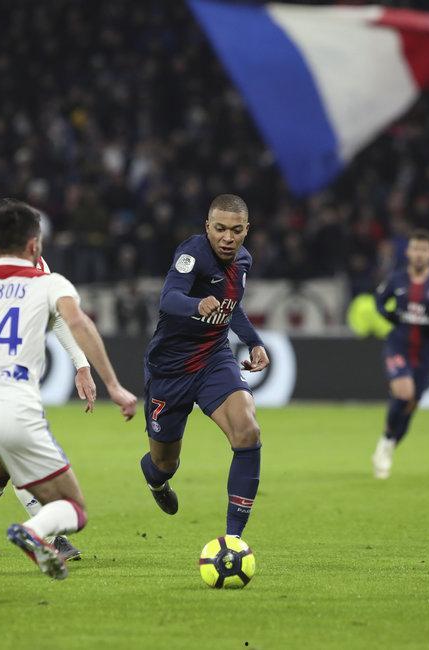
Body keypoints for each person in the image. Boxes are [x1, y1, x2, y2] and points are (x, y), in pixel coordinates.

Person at [0, 199, 137, 579]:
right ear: (33, 243)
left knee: (0, 467)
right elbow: (77, 322)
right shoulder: (48, 281)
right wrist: (113, 385)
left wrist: (80, 366)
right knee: (73, 507)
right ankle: (40, 533)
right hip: (13, 404)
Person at [141, 194, 269, 540]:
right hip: (170, 369)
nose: (228, 238)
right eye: (220, 229)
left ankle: (234, 540)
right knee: (164, 463)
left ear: (247, 230)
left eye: (236, 230)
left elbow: (232, 307)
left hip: (214, 358)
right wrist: (196, 305)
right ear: (207, 227)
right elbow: (169, 298)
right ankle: (156, 481)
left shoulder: (243, 260)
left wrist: (255, 341)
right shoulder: (192, 253)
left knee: (248, 431)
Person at [0, 247, 96, 561]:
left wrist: (81, 364)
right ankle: (49, 536)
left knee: (1, 466)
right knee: (16, 454)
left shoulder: (36, 264)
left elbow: (58, 317)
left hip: (10, 379)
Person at [372, 229, 429, 479]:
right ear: (408, 252)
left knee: (411, 405)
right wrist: (389, 315)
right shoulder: (397, 279)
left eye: (424, 249)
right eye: (415, 249)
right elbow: (379, 301)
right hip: (398, 345)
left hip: (424, 353)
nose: (419, 254)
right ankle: (386, 441)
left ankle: (388, 445)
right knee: (404, 391)